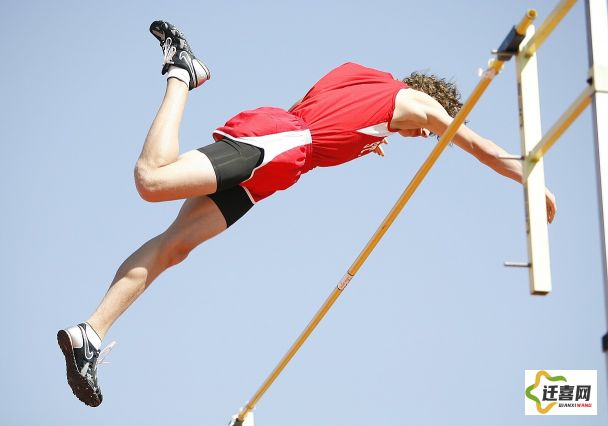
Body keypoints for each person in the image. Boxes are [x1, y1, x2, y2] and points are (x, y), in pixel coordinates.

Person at [57, 20, 557, 407]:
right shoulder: (420, 104)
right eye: (423, 130)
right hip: (283, 145)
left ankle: (90, 336)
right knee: (152, 180)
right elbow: (476, 145)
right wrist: (530, 177)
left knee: (176, 248)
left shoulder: (362, 78)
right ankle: (183, 72)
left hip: (281, 162)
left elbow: (329, 112)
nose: (420, 136)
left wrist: (365, 141)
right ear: (429, 99)